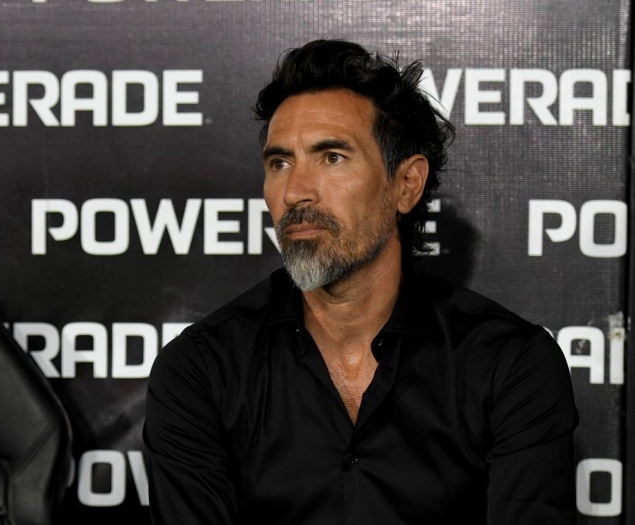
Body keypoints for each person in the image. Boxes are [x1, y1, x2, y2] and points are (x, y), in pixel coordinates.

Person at [143, 39, 578, 525]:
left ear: (406, 185)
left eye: (332, 157)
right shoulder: (201, 371)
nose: (295, 192)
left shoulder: (510, 365)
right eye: (279, 163)